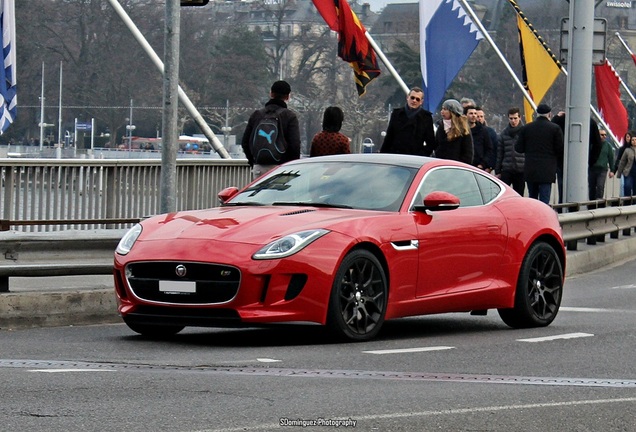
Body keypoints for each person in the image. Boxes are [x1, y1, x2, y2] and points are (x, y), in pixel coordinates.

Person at [241, 80, 301, 178]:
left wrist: (254, 162)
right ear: (288, 97)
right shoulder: (290, 116)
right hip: (282, 168)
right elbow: (295, 145)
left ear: (271, 93)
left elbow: (245, 142)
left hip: (259, 168)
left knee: (260, 193)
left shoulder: (257, 115)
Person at [515, 103, 564, 204]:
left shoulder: (526, 128)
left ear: (536, 114)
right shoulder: (555, 129)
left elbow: (518, 148)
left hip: (531, 170)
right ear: (549, 114)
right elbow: (559, 149)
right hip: (547, 170)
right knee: (544, 200)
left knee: (532, 200)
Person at [551, 112, 602, 202]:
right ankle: (576, 206)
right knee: (579, 186)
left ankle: (562, 207)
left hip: (561, 161)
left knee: (562, 186)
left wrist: (556, 117)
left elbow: (550, 132)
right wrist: (590, 161)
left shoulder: (559, 120)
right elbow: (598, 144)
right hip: (581, 162)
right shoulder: (590, 122)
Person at [380, 87, 435, 156]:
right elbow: (389, 137)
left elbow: (431, 142)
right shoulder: (396, 114)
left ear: (421, 102)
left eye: (417, 99)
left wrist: (421, 155)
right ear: (407, 98)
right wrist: (383, 155)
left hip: (414, 157)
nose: (414, 101)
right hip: (395, 155)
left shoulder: (426, 117)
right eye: (412, 98)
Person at [432, 99, 473, 164]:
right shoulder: (441, 127)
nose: (442, 112)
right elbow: (436, 146)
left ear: (452, 112)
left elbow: (468, 153)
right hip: (440, 165)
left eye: (445, 109)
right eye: (442, 109)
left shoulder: (463, 129)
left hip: (456, 167)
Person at [496, 107, 525, 195]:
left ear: (519, 118)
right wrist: (498, 171)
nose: (513, 121)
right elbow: (500, 153)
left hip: (521, 169)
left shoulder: (524, 132)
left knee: (519, 196)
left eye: (515, 118)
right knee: (504, 196)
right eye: (511, 118)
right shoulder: (504, 133)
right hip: (507, 169)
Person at [588, 129, 614, 200]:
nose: (604, 136)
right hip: (592, 169)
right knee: (591, 187)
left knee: (600, 186)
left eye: (605, 135)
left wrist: (612, 170)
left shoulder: (608, 146)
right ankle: (591, 203)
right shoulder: (591, 144)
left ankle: (599, 202)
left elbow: (611, 158)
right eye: (602, 135)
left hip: (602, 169)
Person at [465, 105, 493, 171]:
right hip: (465, 166)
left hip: (478, 167)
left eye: (475, 113)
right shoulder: (462, 131)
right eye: (471, 113)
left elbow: (489, 149)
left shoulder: (483, 131)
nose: (474, 115)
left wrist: (483, 164)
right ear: (465, 115)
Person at [477, 107, 499, 172]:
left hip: (486, 168)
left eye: (481, 116)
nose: (480, 118)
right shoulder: (469, 132)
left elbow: (494, 150)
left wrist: (490, 166)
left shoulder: (491, 132)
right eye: (478, 116)